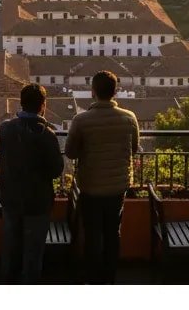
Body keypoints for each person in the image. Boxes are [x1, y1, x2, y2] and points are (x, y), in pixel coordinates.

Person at [64, 71, 140, 284]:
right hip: (117, 186)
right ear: (115, 92)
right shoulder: (129, 118)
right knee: (112, 232)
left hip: (91, 186)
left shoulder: (81, 120)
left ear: (93, 92)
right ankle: (109, 277)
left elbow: (70, 152)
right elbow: (133, 148)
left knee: (92, 234)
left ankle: (92, 278)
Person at [0, 83, 64, 284]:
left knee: (10, 250)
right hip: (37, 203)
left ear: (21, 103)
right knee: (33, 255)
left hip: (10, 200)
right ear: (43, 105)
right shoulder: (47, 136)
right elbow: (56, 170)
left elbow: (2, 159)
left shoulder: (6, 129)